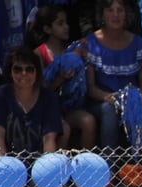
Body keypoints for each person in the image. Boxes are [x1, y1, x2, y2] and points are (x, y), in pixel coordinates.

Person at [84, 0, 142, 153]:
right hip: (102, 101)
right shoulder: (90, 43)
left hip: (130, 98)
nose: (115, 15)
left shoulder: (138, 43)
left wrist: (135, 99)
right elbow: (90, 87)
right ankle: (110, 166)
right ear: (102, 14)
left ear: (126, 14)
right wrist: (110, 98)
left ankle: (139, 166)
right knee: (109, 110)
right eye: (110, 10)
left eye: (120, 10)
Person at [29, 5, 97, 150]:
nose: (66, 27)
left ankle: (84, 168)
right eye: (60, 24)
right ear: (47, 29)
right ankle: (58, 169)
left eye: (66, 23)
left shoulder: (72, 51)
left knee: (88, 121)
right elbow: (39, 89)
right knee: (63, 129)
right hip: (47, 110)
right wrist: (60, 78)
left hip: (69, 108)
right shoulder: (39, 54)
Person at [0, 47, 62, 157]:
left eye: (29, 69)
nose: (24, 73)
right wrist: (4, 168)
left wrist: (48, 166)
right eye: (18, 69)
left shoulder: (49, 98)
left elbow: (49, 140)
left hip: (39, 164)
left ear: (37, 72)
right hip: (8, 163)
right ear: (10, 72)